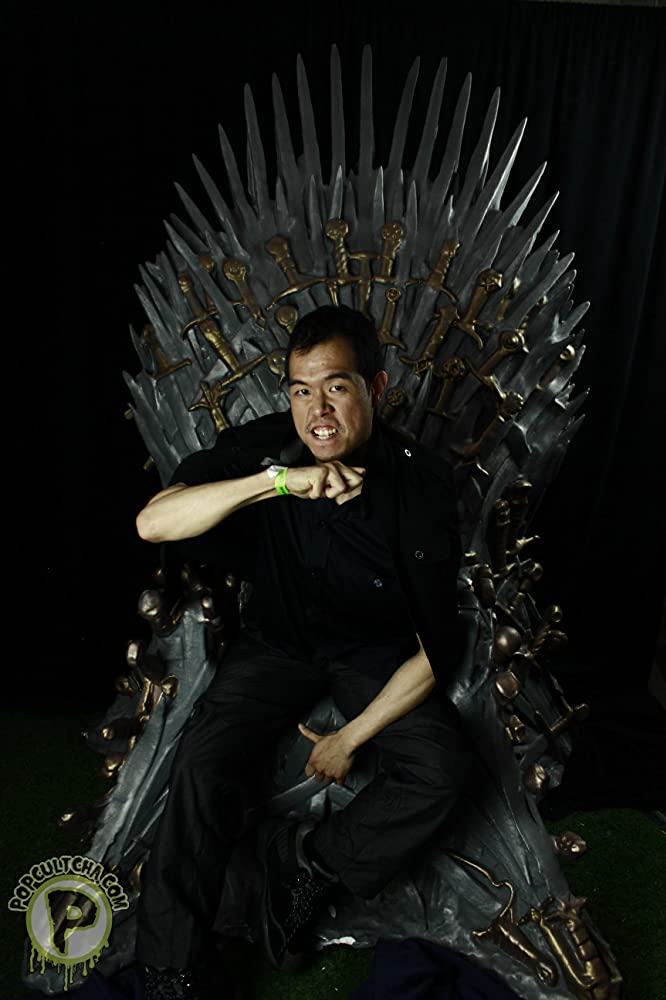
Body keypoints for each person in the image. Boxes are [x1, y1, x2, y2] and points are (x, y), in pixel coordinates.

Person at [133, 305, 471, 999]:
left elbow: (439, 646)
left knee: (442, 770)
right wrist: (278, 482)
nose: (317, 411)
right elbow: (153, 522)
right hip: (277, 645)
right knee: (202, 763)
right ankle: (172, 967)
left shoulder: (423, 486)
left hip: (373, 654)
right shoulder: (268, 446)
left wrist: (353, 736)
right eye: (300, 390)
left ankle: (305, 865)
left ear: (376, 388)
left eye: (336, 387)